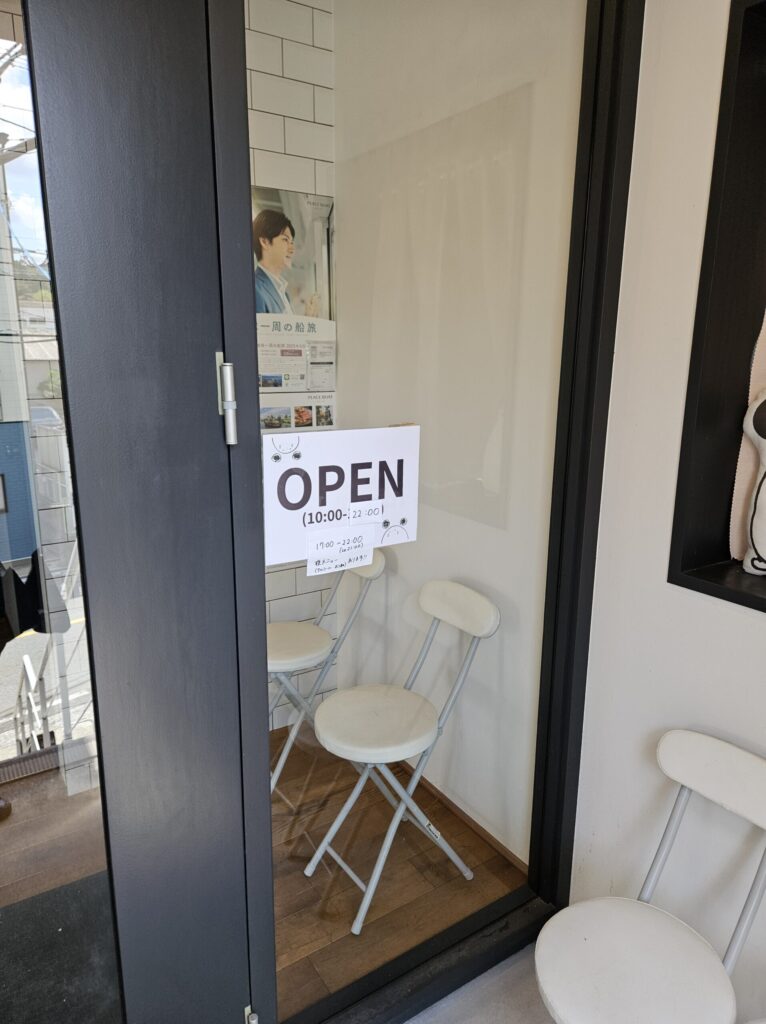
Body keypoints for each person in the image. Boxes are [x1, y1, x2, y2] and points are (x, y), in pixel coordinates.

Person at [253, 209, 296, 315]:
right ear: (265, 242)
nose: (292, 249)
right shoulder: (254, 288)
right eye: (285, 240)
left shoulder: (284, 294)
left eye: (292, 242)